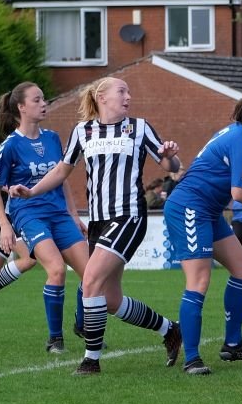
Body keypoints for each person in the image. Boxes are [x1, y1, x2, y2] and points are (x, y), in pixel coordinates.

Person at [13, 77, 184, 374]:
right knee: (110, 300)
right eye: (122, 91)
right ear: (102, 97)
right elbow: (61, 171)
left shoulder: (139, 127)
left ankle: (91, 360)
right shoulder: (83, 131)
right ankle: (170, 330)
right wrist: (32, 191)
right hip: (99, 221)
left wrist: (170, 158)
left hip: (128, 216)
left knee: (89, 281)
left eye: (129, 91)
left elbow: (171, 166)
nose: (128, 96)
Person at [162, 88, 242, 375]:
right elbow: (239, 193)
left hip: (207, 209)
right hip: (189, 207)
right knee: (198, 280)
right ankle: (192, 358)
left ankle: (232, 344)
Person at [0, 82, 88, 354]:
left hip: (59, 213)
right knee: (55, 270)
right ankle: (55, 338)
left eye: (44, 98)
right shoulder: (11, 145)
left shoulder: (53, 138)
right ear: (21, 107)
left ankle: (83, 321)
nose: (44, 103)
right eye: (37, 99)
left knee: (91, 275)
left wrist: (74, 214)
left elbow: (62, 178)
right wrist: (5, 225)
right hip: (29, 215)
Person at [0, 135, 37, 320]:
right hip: (0, 214)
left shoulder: (37, 146)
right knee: (29, 257)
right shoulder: (11, 144)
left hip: (4, 213)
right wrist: (9, 187)